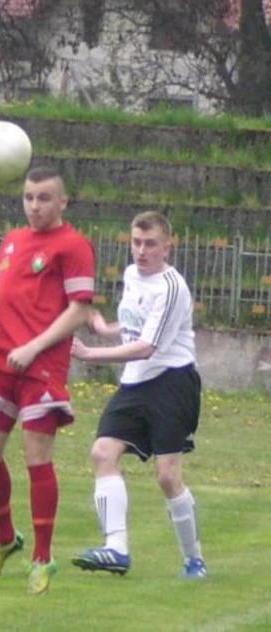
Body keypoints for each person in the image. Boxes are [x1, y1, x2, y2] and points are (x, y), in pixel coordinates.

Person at [0, 166, 95, 595]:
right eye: (29, 197)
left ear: (62, 201)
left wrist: (34, 347)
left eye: (44, 198)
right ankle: (5, 539)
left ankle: (42, 558)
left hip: (41, 364)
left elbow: (79, 311)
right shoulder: (11, 240)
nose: (35, 206)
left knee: (36, 458)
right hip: (0, 359)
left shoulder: (74, 245)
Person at [70, 211, 206, 580]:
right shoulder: (131, 275)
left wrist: (91, 353)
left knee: (167, 477)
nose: (141, 251)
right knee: (102, 452)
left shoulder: (172, 288)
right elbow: (135, 326)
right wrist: (104, 328)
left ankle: (194, 560)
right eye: (136, 242)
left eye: (150, 244)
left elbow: (147, 346)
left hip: (171, 382)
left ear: (167, 247)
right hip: (135, 381)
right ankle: (116, 549)